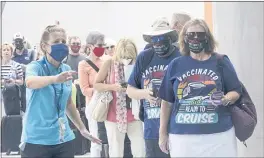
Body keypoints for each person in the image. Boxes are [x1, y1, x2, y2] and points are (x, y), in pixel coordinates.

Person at [158, 18, 241, 157]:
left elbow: (236, 91)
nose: (195, 38)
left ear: (207, 38)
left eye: (200, 34)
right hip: (182, 138)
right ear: (184, 38)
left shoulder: (221, 61)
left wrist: (225, 99)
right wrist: (162, 134)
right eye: (191, 35)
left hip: (219, 136)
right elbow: (166, 102)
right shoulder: (176, 64)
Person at [20, 25, 101, 158]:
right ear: (44, 46)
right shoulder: (35, 67)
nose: (61, 45)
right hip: (36, 140)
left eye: (64, 42)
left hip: (64, 139)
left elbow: (68, 104)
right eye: (56, 41)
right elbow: (30, 82)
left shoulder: (66, 68)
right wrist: (54, 79)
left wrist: (82, 128)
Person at [126, 17, 181, 158]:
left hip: (177, 127)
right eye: (154, 39)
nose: (158, 43)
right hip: (152, 128)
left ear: (170, 37)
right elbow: (130, 90)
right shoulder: (145, 57)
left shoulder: (180, 56)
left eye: (162, 38)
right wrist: (145, 93)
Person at [94, 38, 145, 158]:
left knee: (140, 150)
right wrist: (113, 87)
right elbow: (97, 84)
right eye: (124, 57)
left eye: (129, 57)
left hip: (135, 113)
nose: (126, 60)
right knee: (116, 151)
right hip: (114, 114)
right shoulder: (109, 63)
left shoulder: (138, 63)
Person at [78, 31, 105, 157]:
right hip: (93, 105)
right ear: (90, 46)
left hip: (107, 103)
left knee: (109, 138)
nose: (102, 48)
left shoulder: (106, 61)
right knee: (95, 139)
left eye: (103, 45)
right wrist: (99, 89)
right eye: (99, 45)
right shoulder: (83, 64)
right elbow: (84, 89)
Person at [1, 43, 24, 116]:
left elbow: (21, 82)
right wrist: (2, 82)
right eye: (4, 50)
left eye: (8, 50)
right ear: (1, 53)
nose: (6, 51)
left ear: (11, 52)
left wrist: (14, 81)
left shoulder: (17, 65)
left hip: (13, 97)